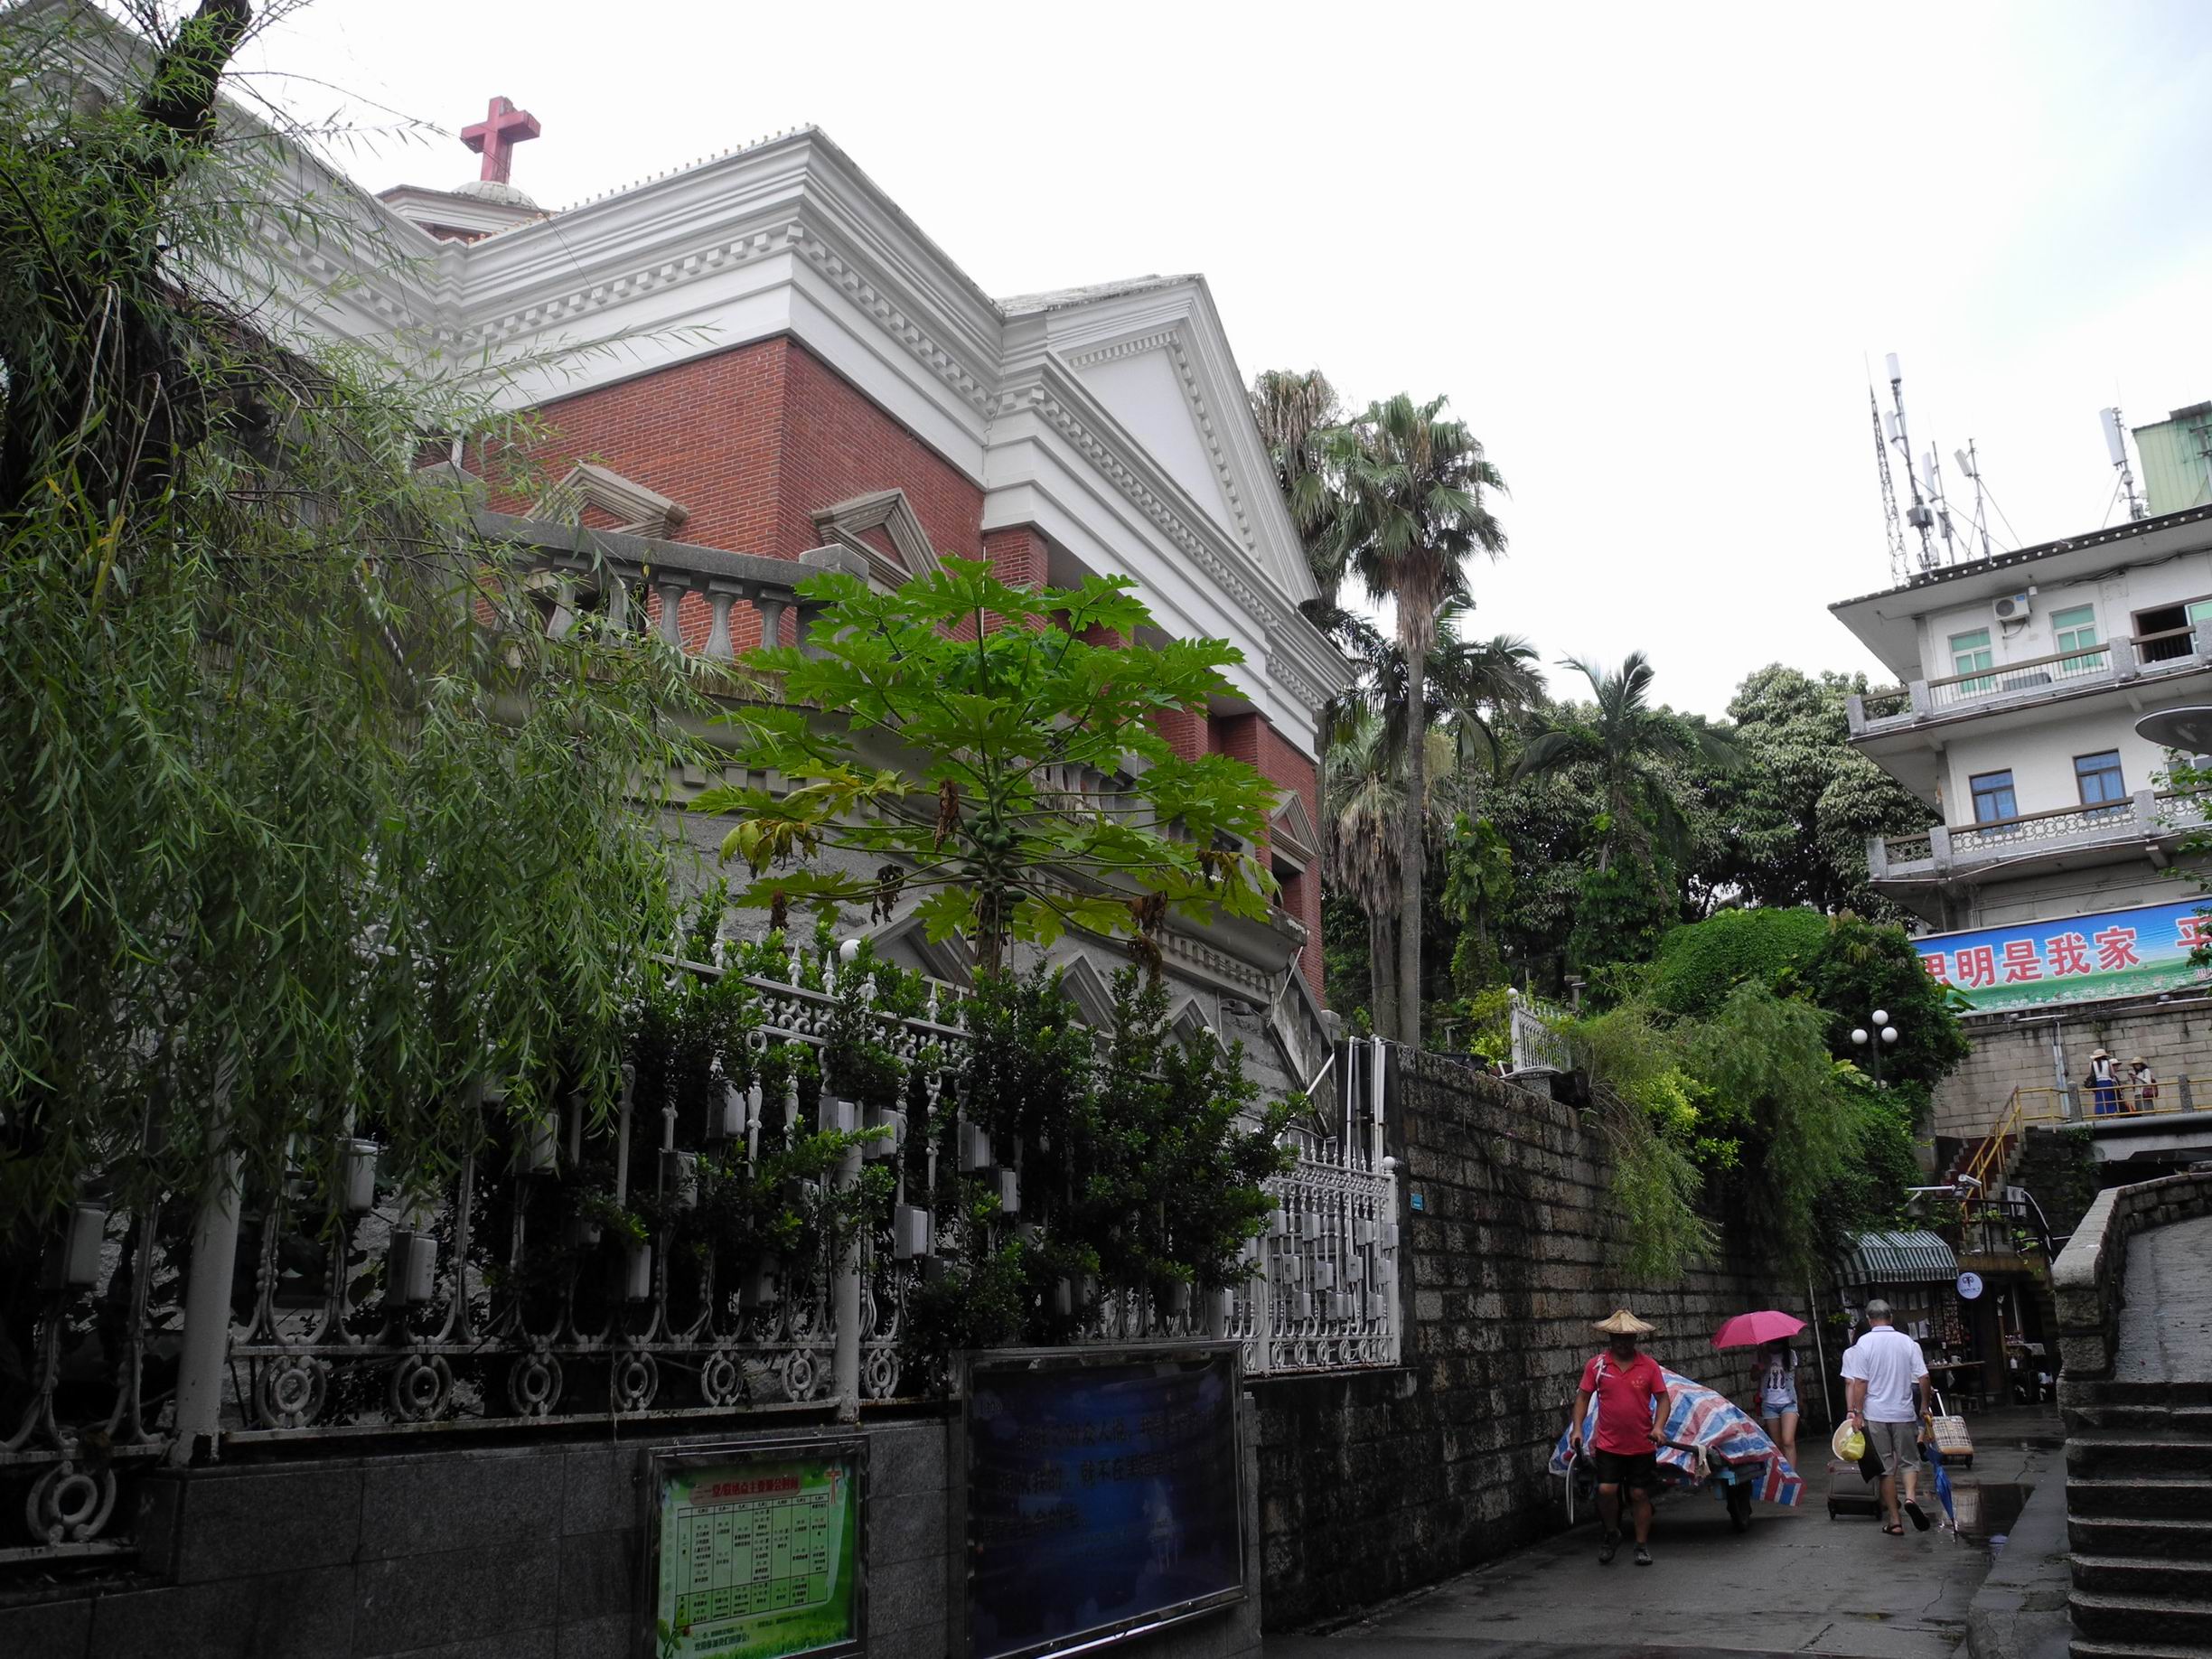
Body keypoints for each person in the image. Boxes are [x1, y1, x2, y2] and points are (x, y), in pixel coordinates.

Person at [1567, 1308, 1672, 1567]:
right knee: (1606, 1490)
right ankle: (1612, 1532)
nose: (1623, 1343)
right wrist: (1577, 1429)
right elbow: (1583, 1397)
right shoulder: (1597, 1366)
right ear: (1611, 1339)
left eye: (1627, 1338)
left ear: (1635, 1339)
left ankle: (1641, 1545)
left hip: (1641, 1444)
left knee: (1639, 1494)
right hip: (1609, 1445)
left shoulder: (1648, 1366)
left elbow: (1663, 1399)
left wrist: (1658, 1427)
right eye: (1618, 1338)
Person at [1841, 1298, 1934, 1535]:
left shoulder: (1863, 1344)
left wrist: (1857, 1413)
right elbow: (1924, 1377)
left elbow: (1860, 1382)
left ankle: (1895, 1521)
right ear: (1890, 1317)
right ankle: (1910, 1498)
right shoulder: (1908, 1342)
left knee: (1885, 1468)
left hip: (1876, 1414)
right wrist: (1924, 1406)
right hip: (1903, 1413)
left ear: (1869, 1319)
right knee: (1909, 1461)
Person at [1749, 1337, 1800, 1471]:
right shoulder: (1760, 1355)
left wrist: (1801, 1399)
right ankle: (1783, 1473)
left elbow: (1797, 1379)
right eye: (1772, 1343)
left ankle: (1792, 1476)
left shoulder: (1790, 1355)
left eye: (1777, 1343)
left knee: (1788, 1441)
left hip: (1788, 1402)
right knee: (1777, 1444)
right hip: (1769, 1404)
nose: (1774, 1346)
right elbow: (1753, 1376)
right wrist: (1763, 1365)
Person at [2086, 1048, 2119, 1116]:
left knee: (2100, 1100)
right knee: (2110, 1099)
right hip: (2108, 1083)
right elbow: (2112, 1074)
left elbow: (2091, 1075)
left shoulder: (2092, 1064)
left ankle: (2101, 1114)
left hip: (2098, 1084)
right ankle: (2111, 1113)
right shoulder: (2108, 1062)